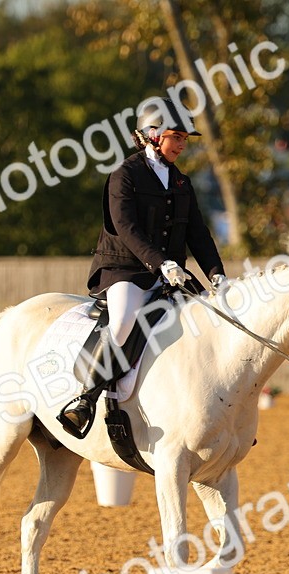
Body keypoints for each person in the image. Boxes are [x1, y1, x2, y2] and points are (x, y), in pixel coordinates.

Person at [57, 97, 226, 439]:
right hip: (125, 270)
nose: (182, 144)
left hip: (170, 275)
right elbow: (125, 227)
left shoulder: (181, 182)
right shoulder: (125, 176)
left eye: (184, 138)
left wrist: (216, 274)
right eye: (176, 136)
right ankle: (85, 397)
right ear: (153, 134)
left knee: (206, 322)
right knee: (122, 320)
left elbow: (198, 233)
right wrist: (161, 262)